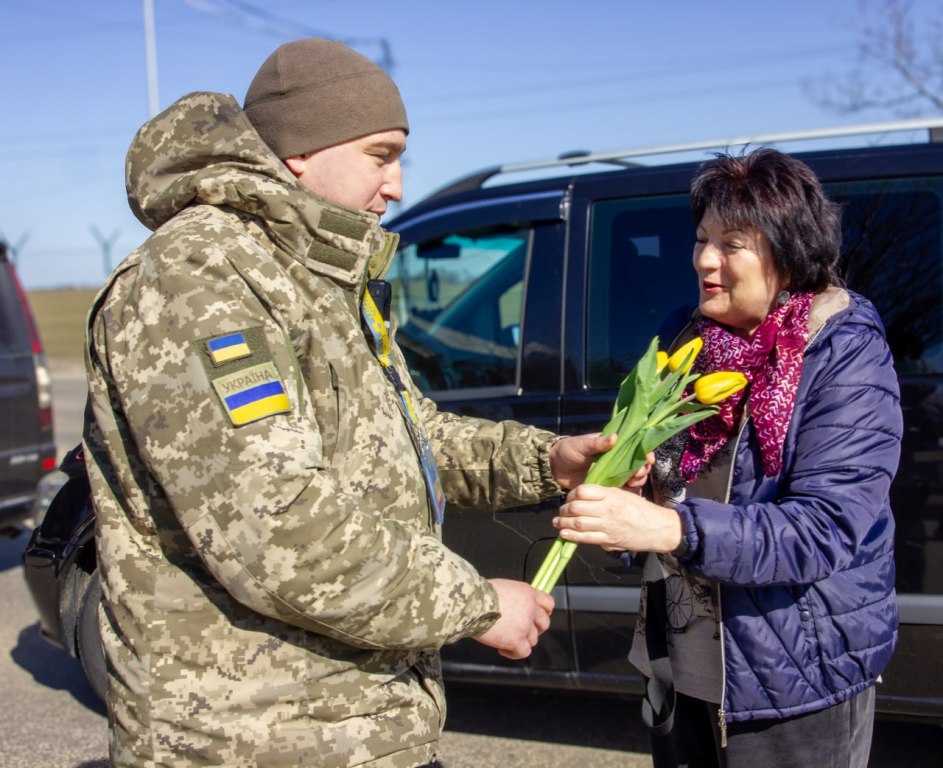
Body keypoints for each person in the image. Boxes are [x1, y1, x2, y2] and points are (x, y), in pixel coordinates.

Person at [83, 37, 621, 768]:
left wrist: (543, 461)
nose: (396, 183)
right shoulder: (199, 275)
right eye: (379, 153)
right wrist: (477, 604)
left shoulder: (313, 273)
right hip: (257, 737)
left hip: (360, 726)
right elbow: (274, 523)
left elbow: (400, 437)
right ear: (302, 149)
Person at [553, 148, 902, 768]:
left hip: (793, 675)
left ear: (789, 255)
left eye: (732, 244)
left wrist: (669, 527)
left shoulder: (844, 355)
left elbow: (824, 530)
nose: (705, 260)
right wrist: (627, 505)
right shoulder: (686, 337)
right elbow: (664, 498)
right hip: (683, 665)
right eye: (701, 239)